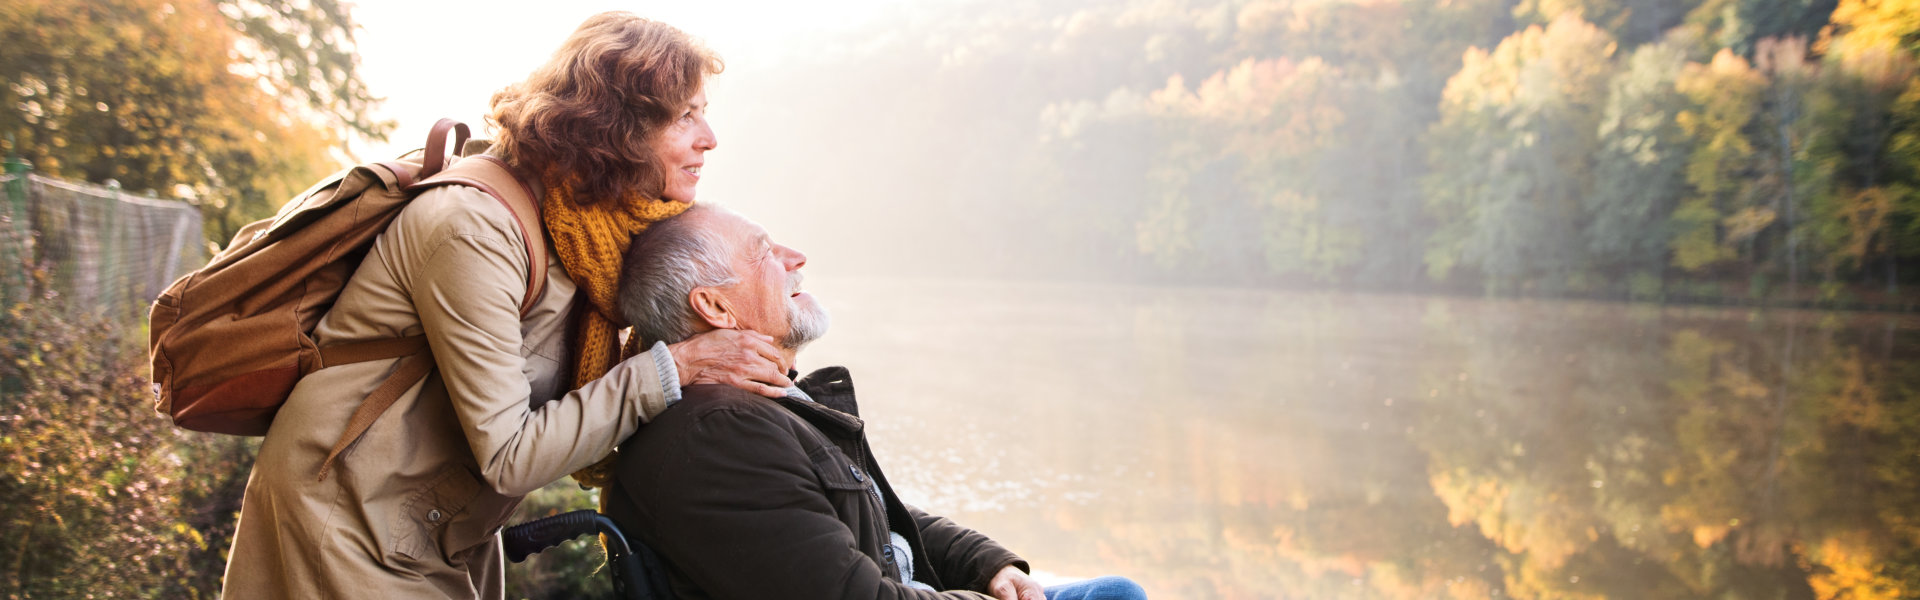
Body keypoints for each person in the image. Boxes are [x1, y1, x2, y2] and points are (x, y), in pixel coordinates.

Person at [222, 14, 793, 598]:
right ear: (618, 126)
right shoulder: (475, 227)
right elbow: (510, 455)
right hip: (347, 520)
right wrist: (676, 368)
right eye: (685, 115)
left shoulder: (589, 230)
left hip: (437, 522)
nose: (709, 138)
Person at [602, 204, 1149, 600]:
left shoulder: (759, 403)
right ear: (715, 307)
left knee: (1116, 590)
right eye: (765, 252)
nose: (796, 257)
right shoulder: (719, 434)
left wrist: (986, 564)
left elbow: (876, 512)